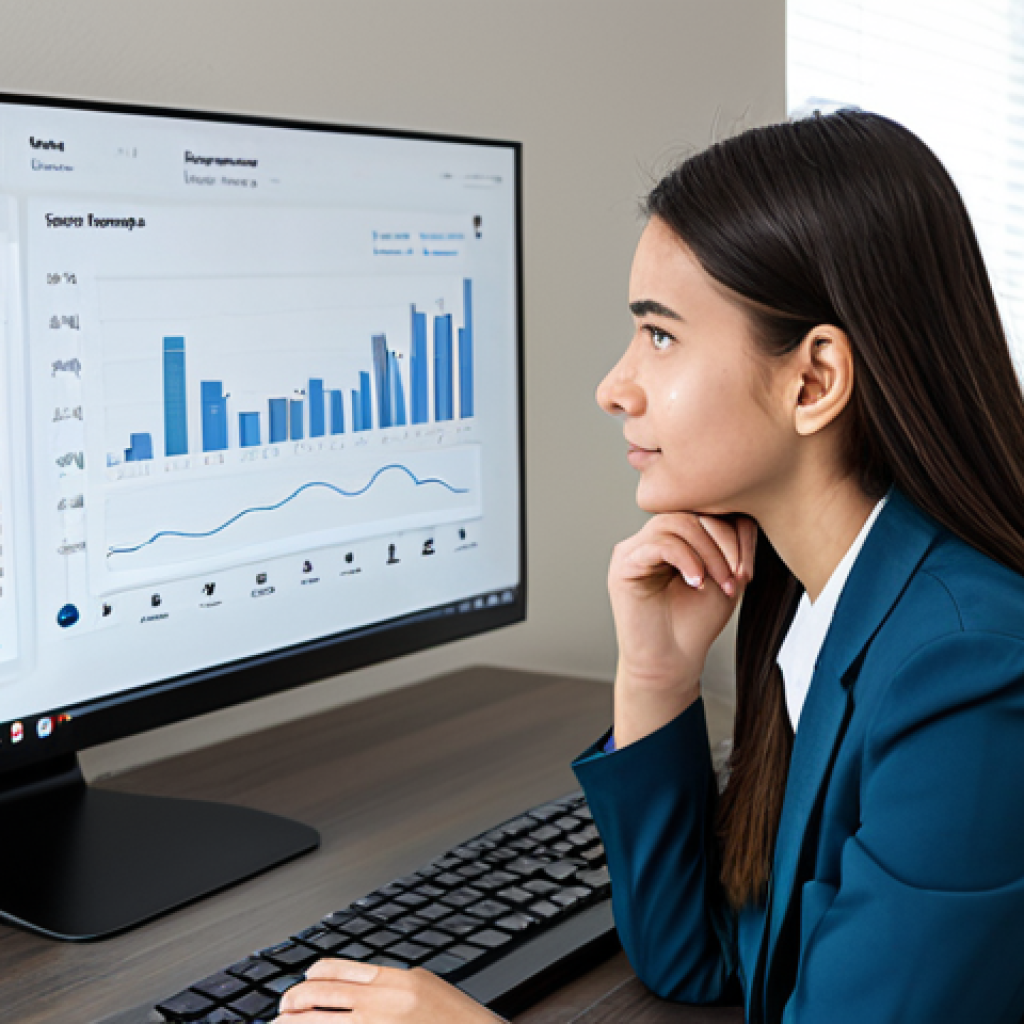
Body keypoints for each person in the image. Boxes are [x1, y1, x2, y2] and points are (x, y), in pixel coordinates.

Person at [273, 109, 1024, 1023]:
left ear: (814, 381)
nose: (614, 386)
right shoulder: (823, 599)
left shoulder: (968, 674)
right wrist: (657, 676)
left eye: (660, 336)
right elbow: (705, 956)